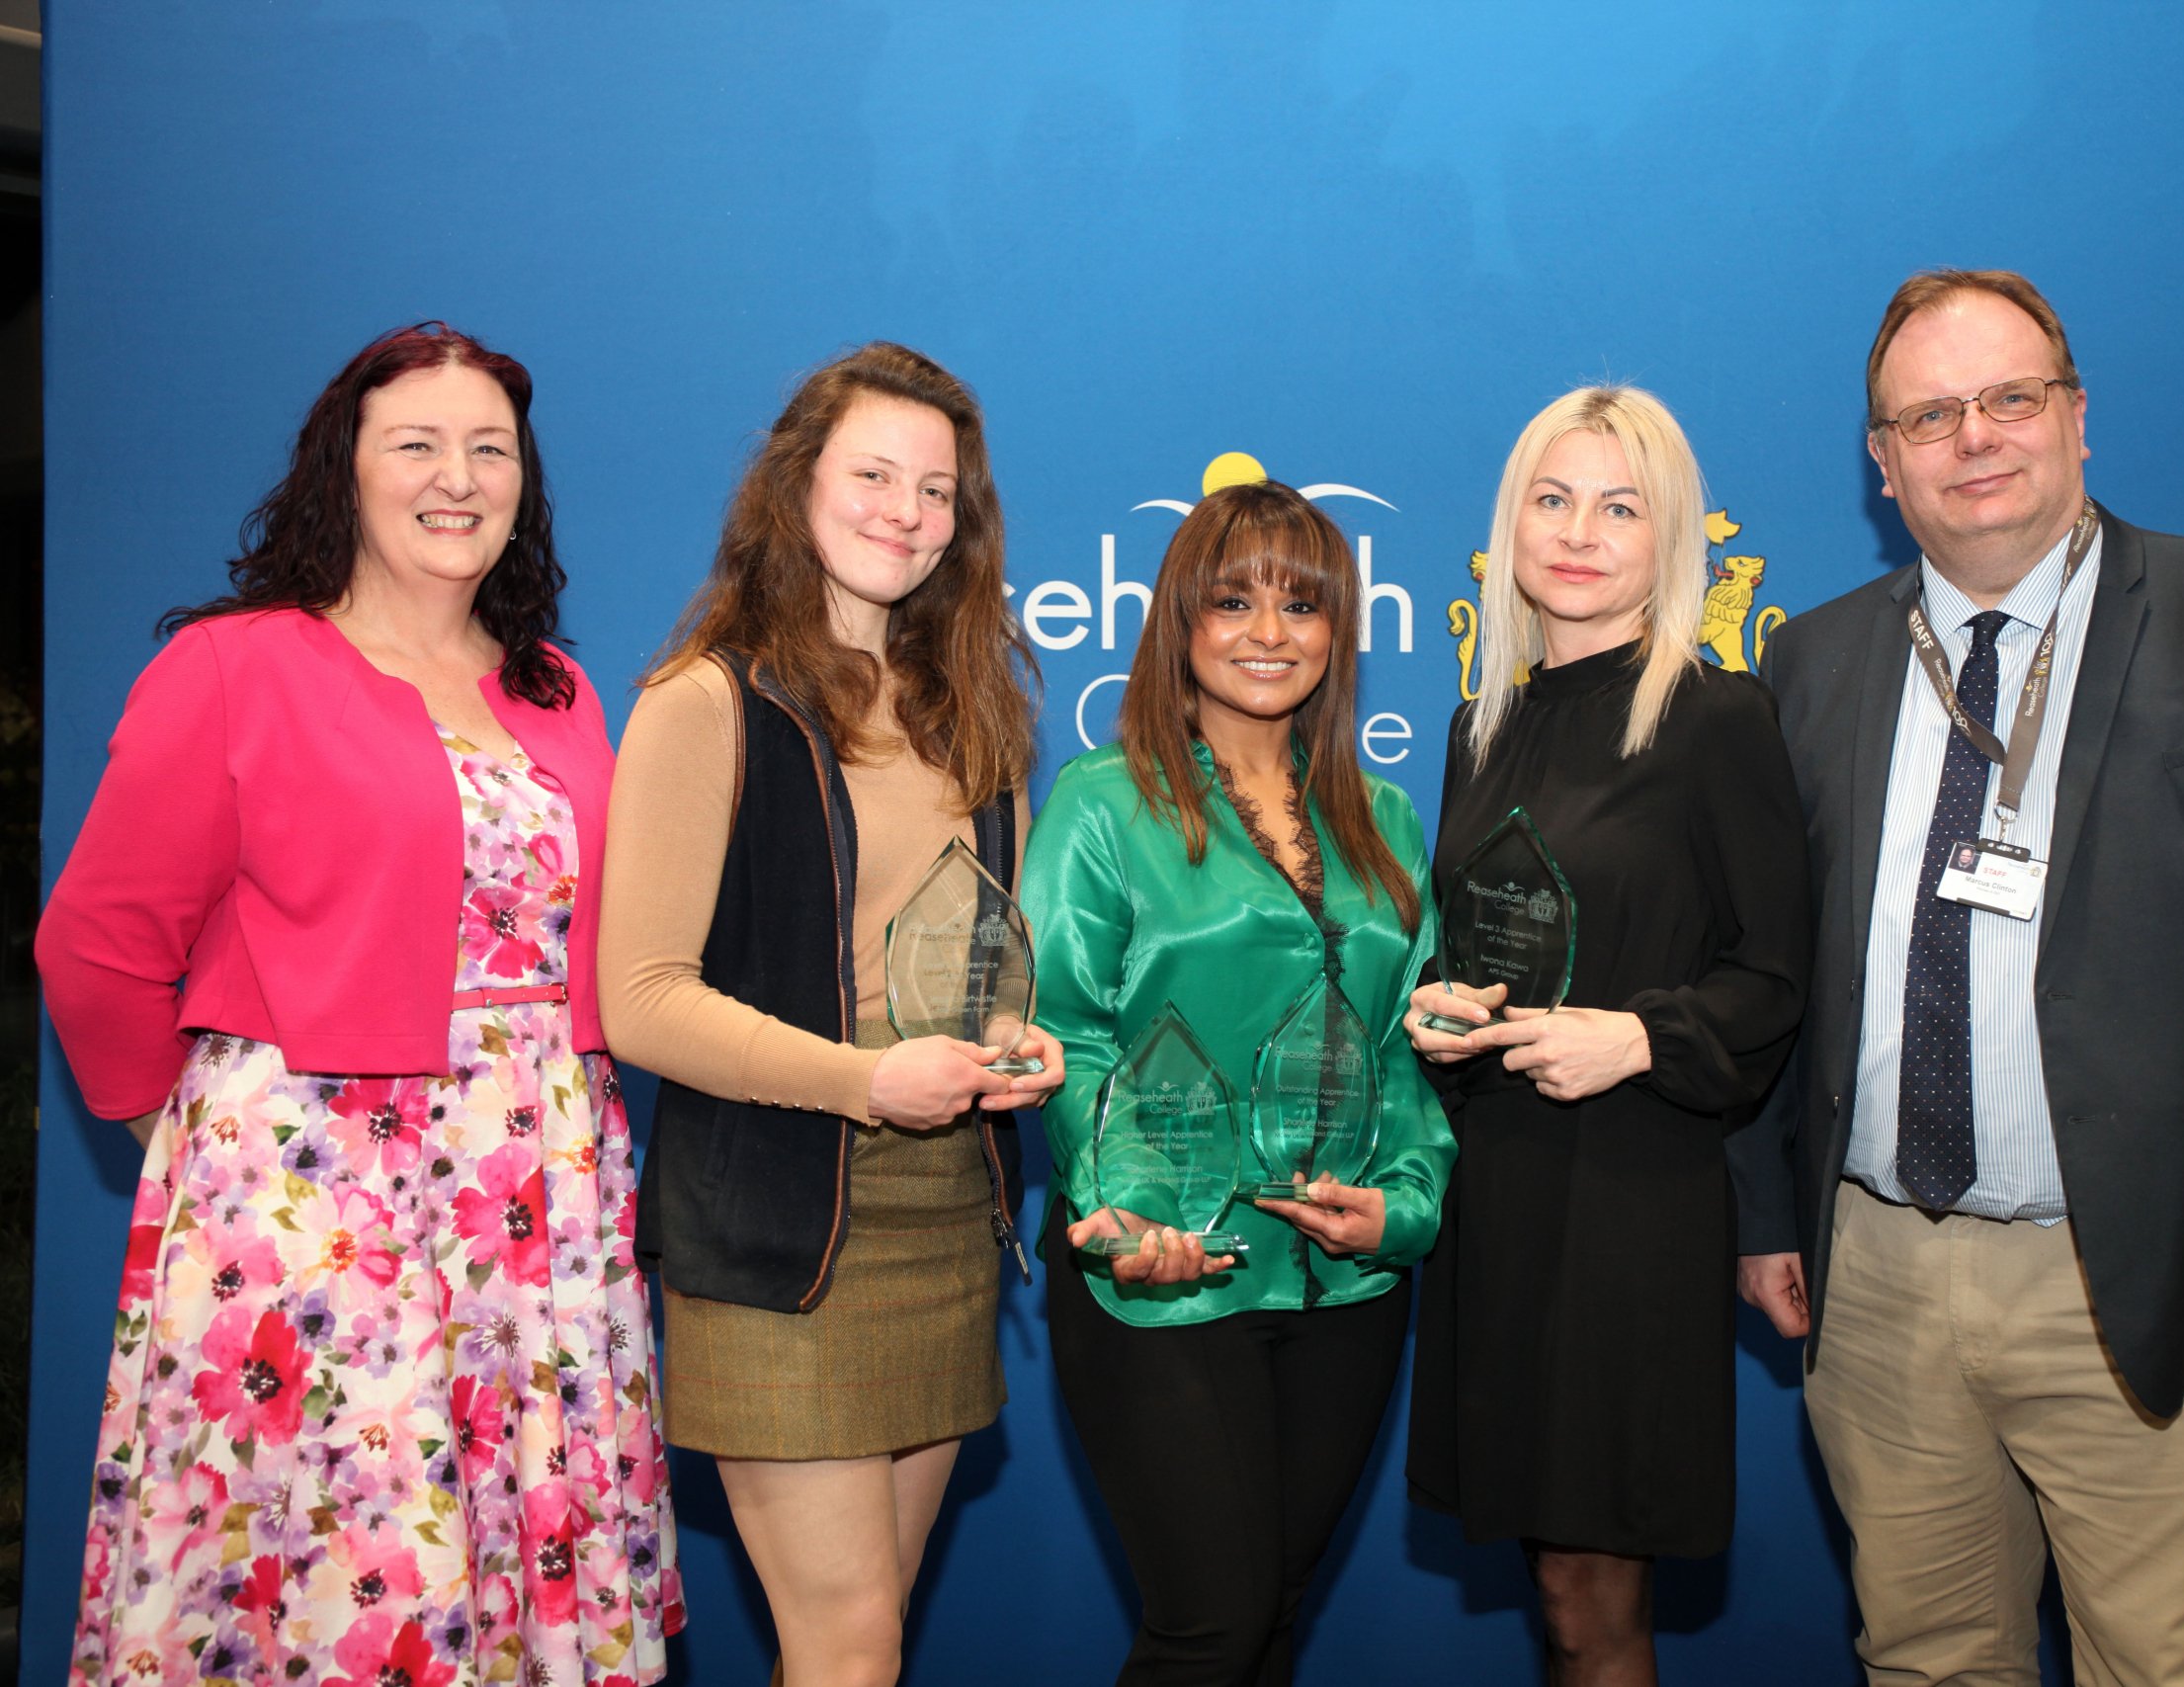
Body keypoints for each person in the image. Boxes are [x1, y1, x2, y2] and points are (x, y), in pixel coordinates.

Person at [1729, 269, 2184, 1682]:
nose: (1974, 436)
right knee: (1924, 1658)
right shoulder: (1810, 663)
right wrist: (1765, 1210)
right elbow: (1767, 963)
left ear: (2077, 415)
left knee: (2176, 1667)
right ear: (1882, 460)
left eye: (2010, 396)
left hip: (2141, 1281)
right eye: (1930, 414)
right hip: (1876, 1277)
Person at [38, 322, 683, 1684]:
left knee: (503, 1565)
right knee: (341, 1574)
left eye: (490, 449)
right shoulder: (234, 665)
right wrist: (211, 1143)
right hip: (317, 1204)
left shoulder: (557, 689)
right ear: (348, 467)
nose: (458, 477)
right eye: (418, 444)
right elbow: (99, 942)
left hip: (540, 1200)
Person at [599, 341, 1061, 1687]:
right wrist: (868, 1082)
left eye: (936, 490)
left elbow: (976, 960)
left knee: (866, 1643)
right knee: (848, 1645)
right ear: (797, 483)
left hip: (943, 1215)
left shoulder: (973, 710)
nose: (904, 512)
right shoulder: (706, 701)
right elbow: (642, 1001)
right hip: (781, 1232)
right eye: (873, 475)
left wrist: (1014, 1041)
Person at [1401, 385, 1811, 1687]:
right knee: (1549, 1578)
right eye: (1554, 498)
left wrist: (1639, 1037)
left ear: (1669, 535)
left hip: (1633, 1202)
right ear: (1511, 522)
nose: (1580, 533)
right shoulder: (1482, 727)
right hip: (1501, 1196)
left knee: (1593, 1595)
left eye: (1620, 507)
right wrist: (1442, 1010)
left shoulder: (1716, 717)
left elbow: (1778, 973)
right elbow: (1484, 945)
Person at [1021, 478, 1457, 1687]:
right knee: (1209, 1628)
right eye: (1233, 601)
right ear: (1181, 621)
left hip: (1345, 1286)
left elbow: (1401, 1047)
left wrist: (1403, 1207)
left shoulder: (1383, 816)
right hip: (1164, 1276)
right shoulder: (1103, 804)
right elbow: (1065, 1032)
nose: (1270, 633)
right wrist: (1126, 1213)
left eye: (1301, 607)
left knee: (1269, 1618)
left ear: (1337, 632)